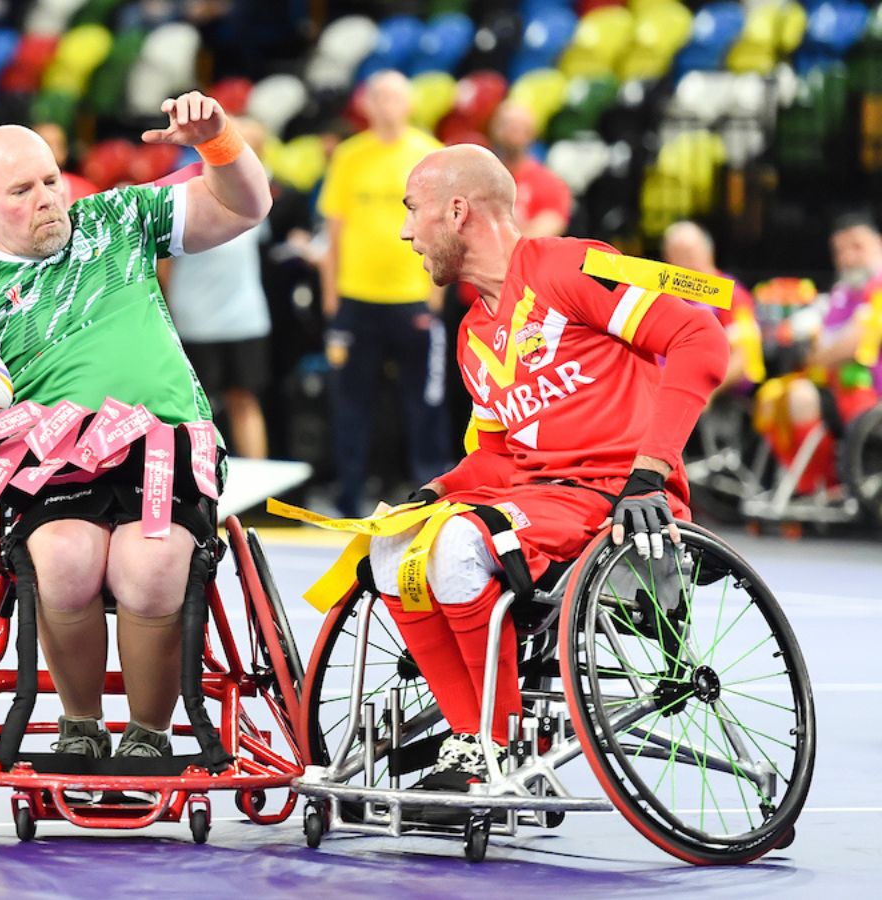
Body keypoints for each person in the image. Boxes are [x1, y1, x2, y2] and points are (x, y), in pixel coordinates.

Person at [0, 91, 270, 760]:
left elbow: (243, 206)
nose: (47, 198)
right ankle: (79, 728)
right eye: (22, 190)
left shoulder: (116, 218)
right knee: (63, 559)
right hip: (53, 463)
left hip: (164, 444)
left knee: (152, 566)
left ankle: (149, 736)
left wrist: (219, 140)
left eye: (51, 180)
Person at [368, 145, 725, 816]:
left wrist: (650, 472)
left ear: (457, 209)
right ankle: (472, 737)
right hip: (538, 500)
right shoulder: (475, 332)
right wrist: (435, 493)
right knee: (392, 547)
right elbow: (501, 458)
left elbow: (701, 338)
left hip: (620, 501)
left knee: (456, 547)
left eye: (412, 211)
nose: (406, 231)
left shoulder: (570, 265)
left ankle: (495, 746)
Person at [318, 70, 448, 516]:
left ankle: (430, 493)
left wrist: (434, 297)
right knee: (350, 402)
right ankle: (349, 495)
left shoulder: (428, 154)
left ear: (408, 103)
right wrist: (331, 297)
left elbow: (445, 228)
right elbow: (333, 230)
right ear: (366, 105)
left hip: (412, 299)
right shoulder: (350, 156)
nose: (387, 105)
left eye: (394, 97)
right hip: (356, 301)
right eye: (378, 97)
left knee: (425, 403)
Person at [161, 117, 273, 459]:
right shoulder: (186, 193)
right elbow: (165, 265)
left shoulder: (259, 192)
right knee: (195, 410)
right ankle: (198, 490)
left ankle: (259, 492)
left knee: (245, 400)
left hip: (244, 317)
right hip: (195, 319)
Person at [753, 213, 882, 493]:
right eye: (840, 250)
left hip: (871, 394)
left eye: (857, 247)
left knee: (801, 395)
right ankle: (814, 487)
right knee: (779, 397)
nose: (848, 257)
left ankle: (823, 486)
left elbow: (854, 344)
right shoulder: (841, 295)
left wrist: (816, 356)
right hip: (838, 389)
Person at [661, 220, 760, 392]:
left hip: (714, 395)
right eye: (676, 254)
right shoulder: (662, 296)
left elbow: (744, 357)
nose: (683, 261)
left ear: (708, 252)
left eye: (689, 253)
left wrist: (708, 394)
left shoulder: (731, 294)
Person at [490, 102, 571, 239]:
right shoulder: (480, 177)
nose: (513, 133)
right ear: (494, 130)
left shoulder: (549, 183)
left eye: (520, 128)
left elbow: (550, 227)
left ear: (532, 133)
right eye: (507, 125)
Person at [34, 121, 99, 204]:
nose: (53, 150)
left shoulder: (86, 190)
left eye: (58, 144)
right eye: (47, 144)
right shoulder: (23, 193)